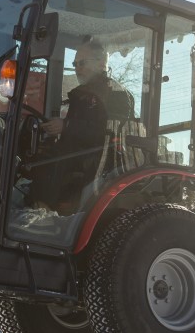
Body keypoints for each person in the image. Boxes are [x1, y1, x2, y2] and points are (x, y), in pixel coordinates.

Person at [26, 40, 134, 212]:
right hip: (76, 153)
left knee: (54, 158)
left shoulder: (117, 94)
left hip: (100, 160)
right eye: (74, 64)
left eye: (81, 63)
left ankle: (42, 211)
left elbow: (109, 133)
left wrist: (66, 126)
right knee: (32, 148)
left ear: (101, 63)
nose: (77, 68)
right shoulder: (80, 94)